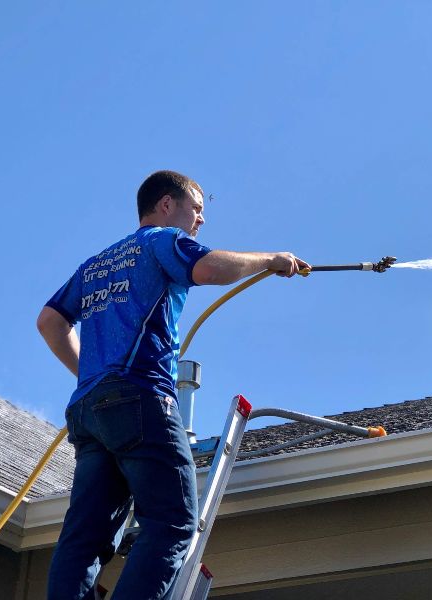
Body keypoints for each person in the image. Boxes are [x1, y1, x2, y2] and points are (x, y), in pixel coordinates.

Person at [37, 170, 310, 600]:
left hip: (90, 409)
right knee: (172, 523)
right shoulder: (162, 239)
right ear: (167, 205)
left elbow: (50, 321)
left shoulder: (95, 265)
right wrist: (271, 259)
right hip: (142, 397)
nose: (200, 221)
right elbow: (207, 268)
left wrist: (92, 379)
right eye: (196, 209)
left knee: (83, 539)